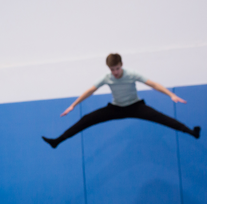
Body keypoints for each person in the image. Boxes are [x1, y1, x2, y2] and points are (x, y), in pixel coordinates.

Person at [42, 53, 201, 148]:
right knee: (87, 119)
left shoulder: (131, 73)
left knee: (162, 118)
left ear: (121, 65)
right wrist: (73, 105)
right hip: (116, 108)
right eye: (112, 69)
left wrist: (170, 95)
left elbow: (152, 84)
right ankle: (57, 141)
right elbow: (91, 90)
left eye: (117, 68)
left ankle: (191, 132)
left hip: (136, 106)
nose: (115, 72)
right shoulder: (107, 78)